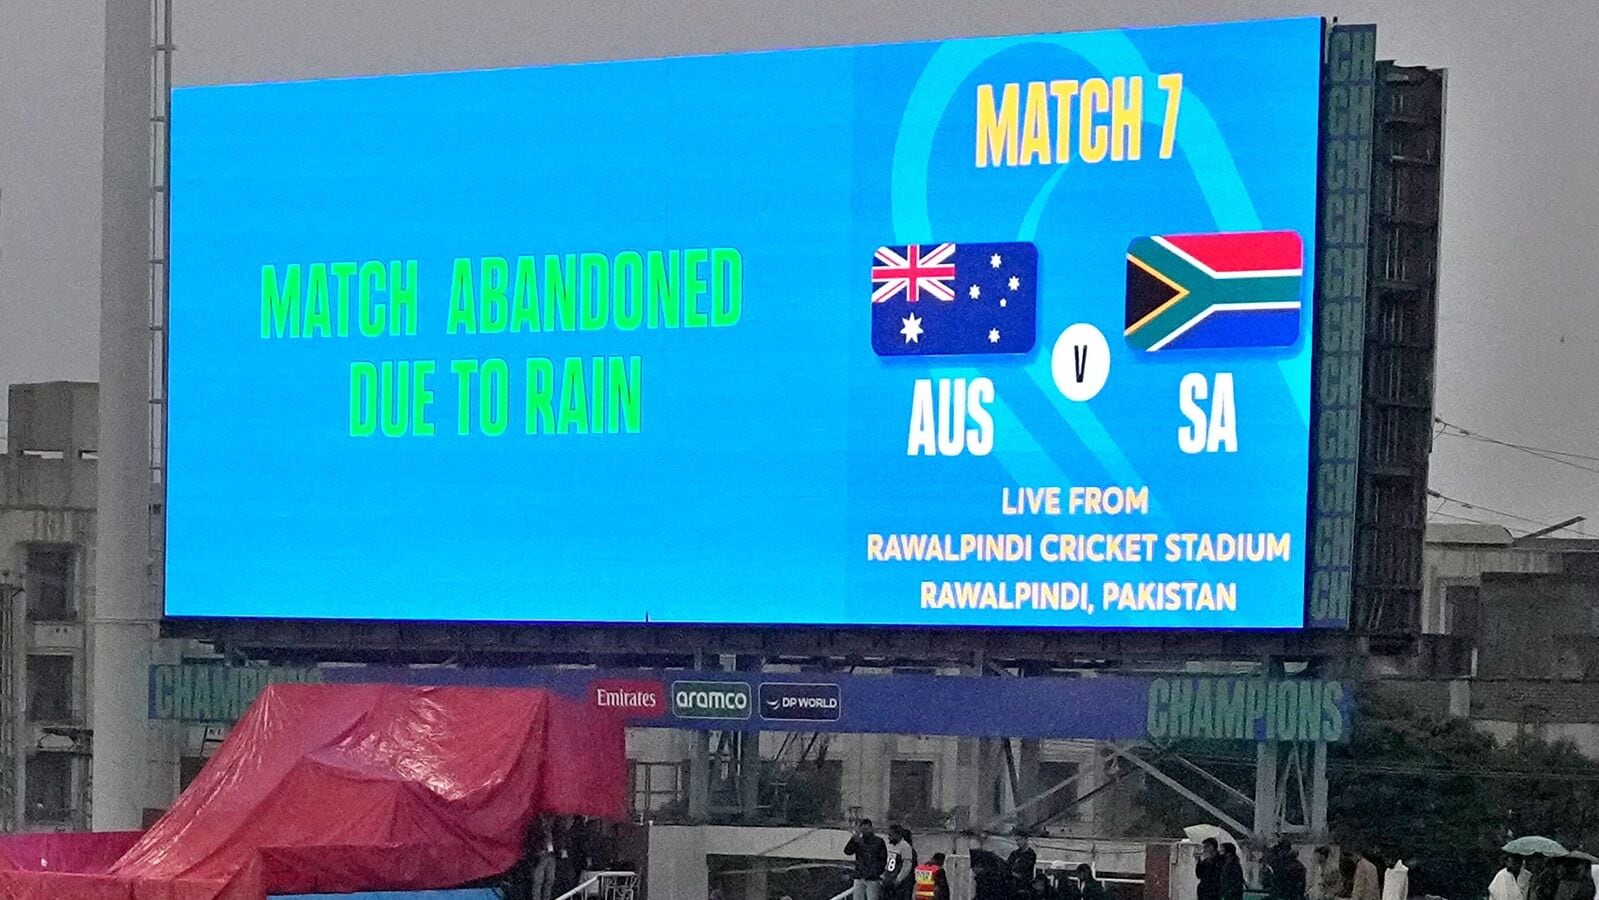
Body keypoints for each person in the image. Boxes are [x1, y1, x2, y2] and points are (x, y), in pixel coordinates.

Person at [845, 818, 889, 900]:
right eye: (863, 829)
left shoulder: (878, 841)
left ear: (871, 828)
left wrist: (876, 872)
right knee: (858, 897)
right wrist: (853, 840)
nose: (866, 831)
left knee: (872, 897)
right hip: (860, 875)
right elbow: (848, 851)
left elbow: (883, 859)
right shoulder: (858, 841)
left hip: (872, 877)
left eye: (867, 828)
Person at [885, 825, 917, 900]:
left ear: (898, 834)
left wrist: (899, 879)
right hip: (890, 878)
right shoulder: (892, 846)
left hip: (900, 882)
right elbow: (889, 862)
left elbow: (907, 865)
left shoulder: (905, 847)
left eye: (891, 835)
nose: (889, 837)